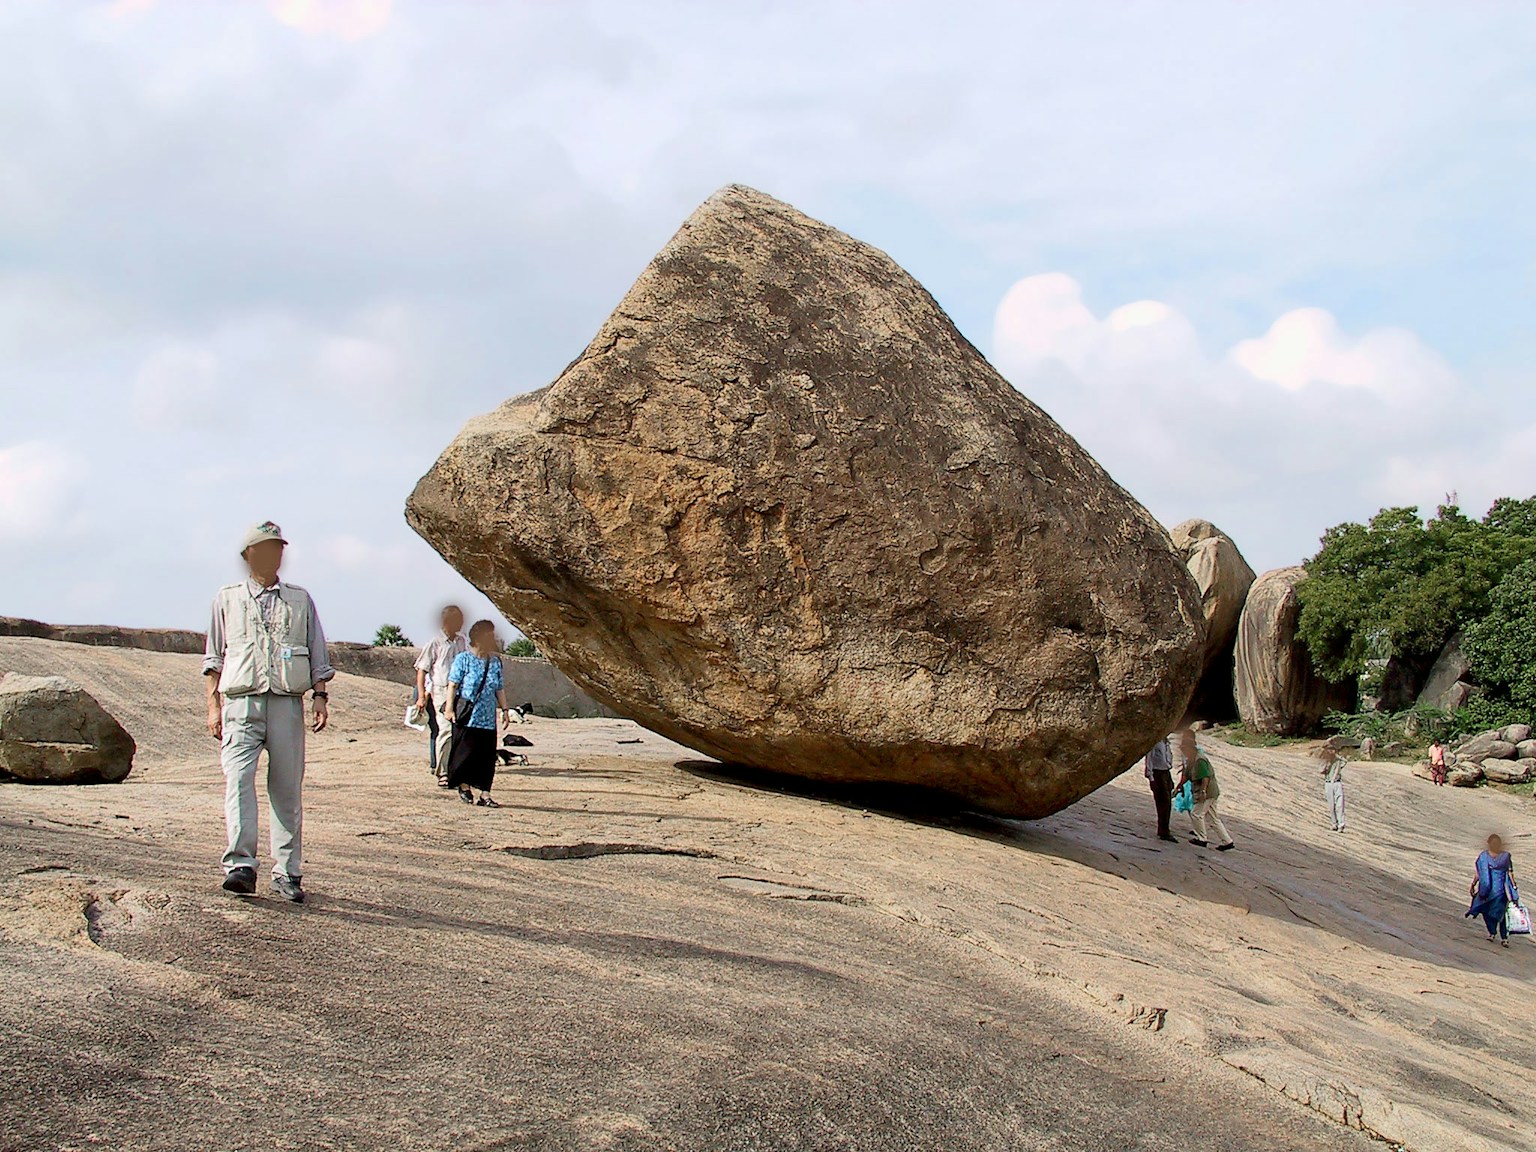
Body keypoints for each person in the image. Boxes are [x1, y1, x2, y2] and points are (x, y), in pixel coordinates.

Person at [203, 521, 334, 903]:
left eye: (278, 548)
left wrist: (320, 697)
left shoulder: (299, 599)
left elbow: (317, 651)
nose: (273, 554)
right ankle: (241, 865)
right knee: (238, 781)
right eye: (265, 548)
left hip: (285, 704)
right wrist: (213, 706)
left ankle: (287, 872)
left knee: (286, 790)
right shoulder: (227, 599)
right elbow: (214, 658)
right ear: (248, 555)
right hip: (241, 703)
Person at [444, 619, 511, 807]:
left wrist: (505, 710)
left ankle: (485, 794)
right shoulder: (463, 659)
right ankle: (464, 786)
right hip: (467, 717)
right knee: (465, 755)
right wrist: (449, 708)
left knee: (486, 758)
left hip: (488, 719)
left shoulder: (495, 662)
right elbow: (453, 685)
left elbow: (499, 688)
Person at [414, 605, 467, 786]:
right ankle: (442, 772)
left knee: (459, 731)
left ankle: (456, 769)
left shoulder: (462, 642)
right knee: (444, 730)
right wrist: (421, 696)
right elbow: (422, 670)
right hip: (441, 690)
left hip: (460, 690)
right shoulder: (435, 643)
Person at [1176, 729, 1234, 851]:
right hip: (1212, 791)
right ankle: (1227, 841)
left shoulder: (1199, 760)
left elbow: (1205, 778)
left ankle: (1202, 839)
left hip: (1207, 791)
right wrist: (1179, 787)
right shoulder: (1192, 759)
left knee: (1196, 813)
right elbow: (1187, 775)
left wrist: (1203, 792)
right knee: (1212, 817)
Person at [1466, 834, 1518, 947]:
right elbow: (1480, 872)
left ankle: (1503, 937)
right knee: (1488, 912)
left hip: (1500, 891)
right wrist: (1474, 883)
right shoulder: (1484, 857)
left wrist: (1513, 887)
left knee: (1501, 914)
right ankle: (1494, 933)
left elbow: (1510, 872)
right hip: (1487, 890)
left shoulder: (1505, 856)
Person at [1143, 734, 1176, 842]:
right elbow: (1149, 759)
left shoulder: (1166, 742)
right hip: (1158, 773)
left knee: (1167, 803)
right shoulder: (1155, 743)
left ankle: (1165, 827)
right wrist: (1151, 777)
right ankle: (1163, 830)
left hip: (1166, 772)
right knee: (1163, 802)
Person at [1319, 747, 1347, 832]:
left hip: (1337, 782)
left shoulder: (1338, 760)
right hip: (1328, 783)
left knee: (1340, 804)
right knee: (1331, 805)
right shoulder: (1325, 760)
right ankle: (1334, 823)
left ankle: (1341, 824)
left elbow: (1345, 762)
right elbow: (1320, 770)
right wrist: (1327, 763)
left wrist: (1337, 756)